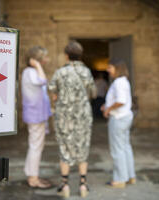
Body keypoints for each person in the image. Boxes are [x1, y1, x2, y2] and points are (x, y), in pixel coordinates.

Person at [48, 41, 96, 198]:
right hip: (83, 114)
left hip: (64, 115)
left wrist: (60, 99)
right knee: (83, 146)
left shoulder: (60, 72)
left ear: (66, 55)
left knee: (64, 147)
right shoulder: (86, 72)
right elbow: (93, 93)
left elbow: (52, 91)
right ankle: (83, 185)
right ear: (80, 55)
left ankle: (65, 185)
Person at [101, 59, 136, 188]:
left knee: (117, 149)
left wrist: (109, 109)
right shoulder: (123, 81)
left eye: (110, 67)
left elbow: (120, 101)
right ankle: (130, 176)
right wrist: (107, 106)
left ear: (117, 68)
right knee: (125, 147)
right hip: (125, 116)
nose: (108, 70)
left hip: (118, 118)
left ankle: (120, 178)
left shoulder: (118, 83)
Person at [21, 46, 52, 189]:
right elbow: (42, 81)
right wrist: (38, 65)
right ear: (36, 60)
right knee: (36, 147)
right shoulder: (31, 72)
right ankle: (33, 179)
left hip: (37, 114)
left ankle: (31, 174)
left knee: (35, 146)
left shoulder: (30, 72)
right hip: (35, 115)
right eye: (43, 58)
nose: (47, 60)